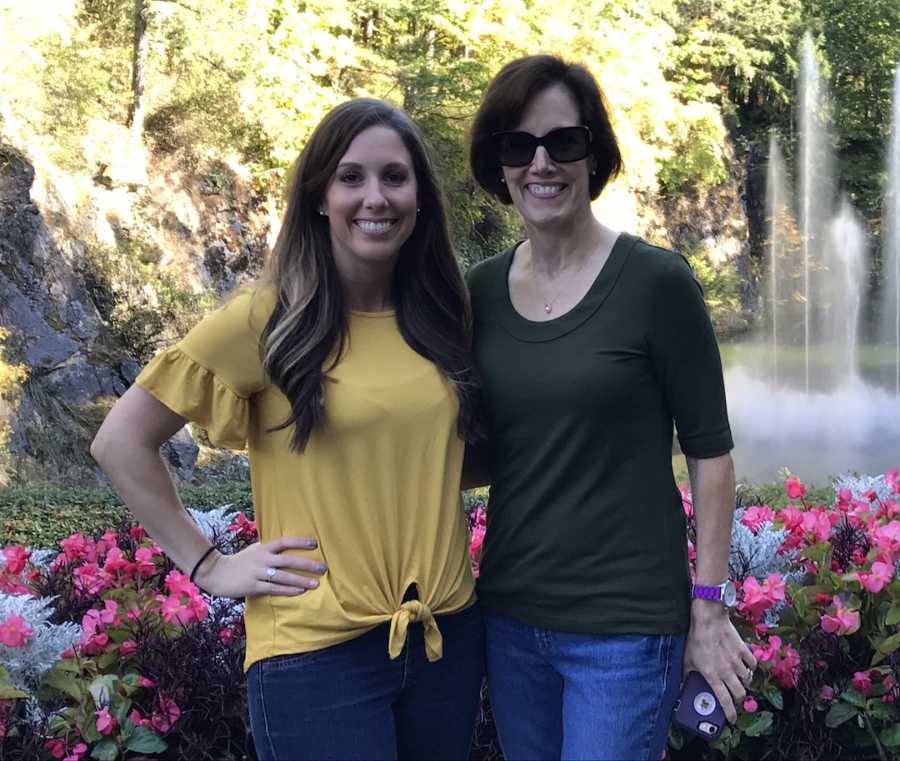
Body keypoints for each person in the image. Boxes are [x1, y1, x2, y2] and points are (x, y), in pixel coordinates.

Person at [91, 98, 485, 761]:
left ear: (420, 195)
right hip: (315, 658)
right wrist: (208, 563)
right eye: (351, 177)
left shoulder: (443, 316)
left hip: (444, 642)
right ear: (319, 195)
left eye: (395, 176)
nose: (375, 197)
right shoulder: (269, 318)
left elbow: (449, 458)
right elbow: (121, 440)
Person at [465, 55, 756, 760]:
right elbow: (476, 450)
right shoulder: (476, 293)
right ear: (499, 165)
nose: (542, 163)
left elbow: (711, 452)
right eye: (519, 145)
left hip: (625, 630)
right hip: (511, 619)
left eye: (564, 142)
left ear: (594, 154)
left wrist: (709, 607)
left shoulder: (656, 283)